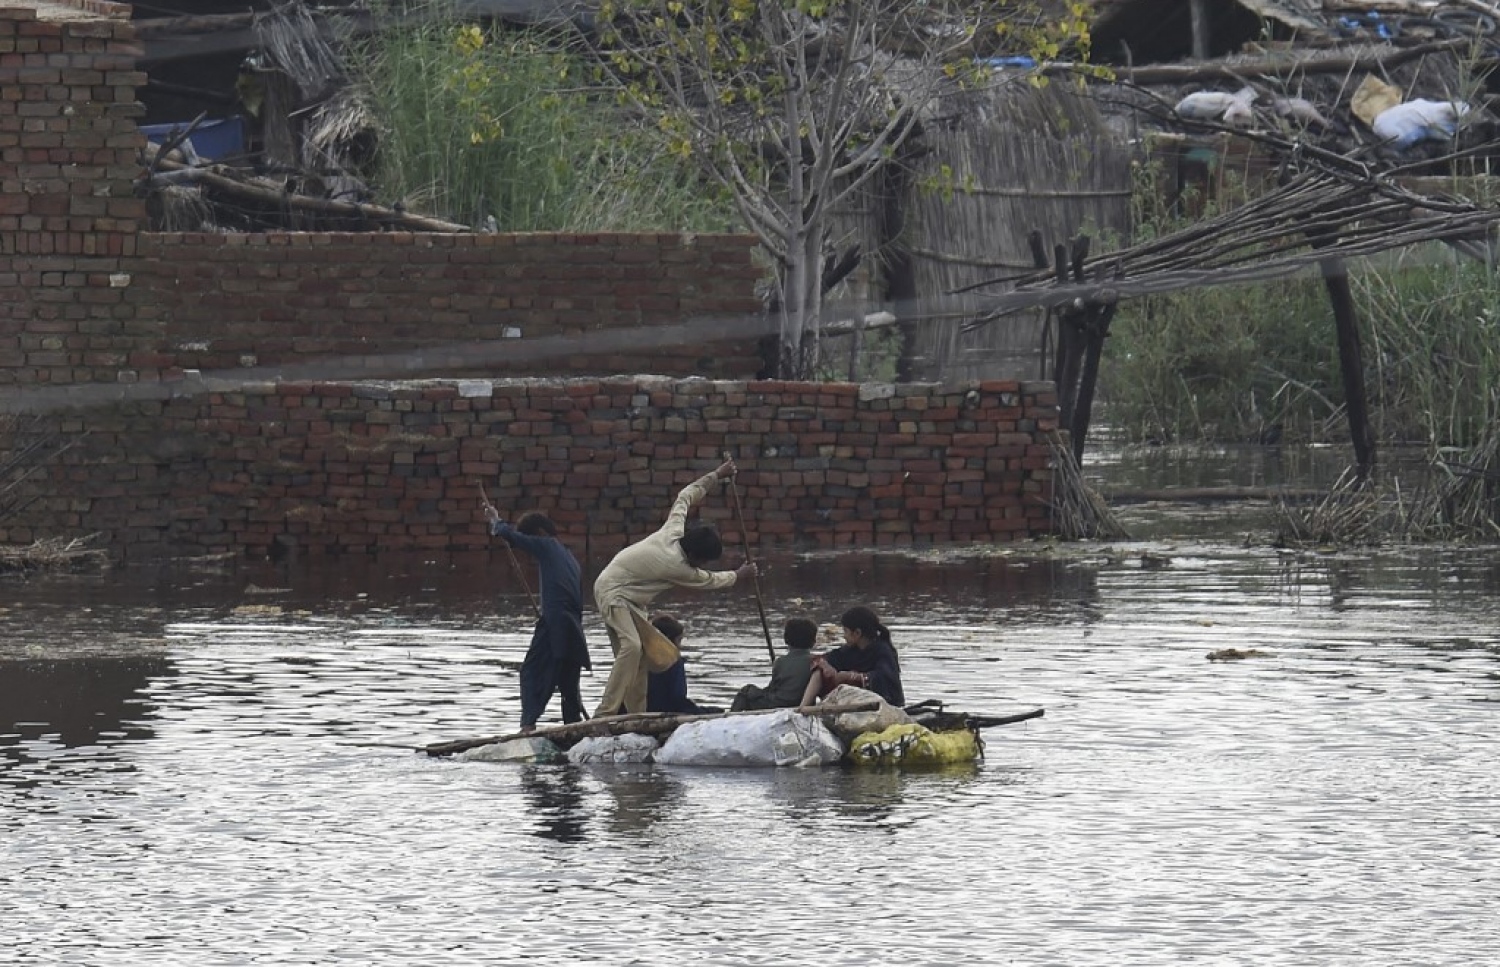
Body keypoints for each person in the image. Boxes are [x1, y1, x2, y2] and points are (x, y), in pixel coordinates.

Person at [591, 459, 757, 717]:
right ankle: (605, 712)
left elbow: (685, 497)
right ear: (693, 554)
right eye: (701, 561)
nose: (700, 565)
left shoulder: (674, 530)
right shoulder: (674, 564)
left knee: (641, 657)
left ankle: (636, 712)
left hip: (631, 600)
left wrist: (716, 475)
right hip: (613, 591)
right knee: (632, 647)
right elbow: (709, 580)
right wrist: (739, 575)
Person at [483, 506, 591, 733]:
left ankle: (527, 726)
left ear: (539, 534)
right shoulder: (570, 557)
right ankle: (574, 729)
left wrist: (496, 522)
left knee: (531, 672)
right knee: (568, 684)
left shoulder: (547, 545)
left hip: (556, 623)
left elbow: (512, 535)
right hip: (572, 627)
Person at [800, 605, 904, 708]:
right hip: (858, 703)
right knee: (819, 671)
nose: (844, 636)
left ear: (857, 633)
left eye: (845, 631)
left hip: (884, 706)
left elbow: (884, 679)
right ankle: (803, 708)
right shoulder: (850, 650)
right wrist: (824, 665)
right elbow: (823, 658)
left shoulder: (883, 650)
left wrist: (850, 676)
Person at [731, 616, 817, 712]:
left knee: (746, 691)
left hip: (778, 704)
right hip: (800, 703)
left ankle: (730, 719)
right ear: (813, 642)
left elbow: (772, 690)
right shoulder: (818, 662)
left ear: (786, 640)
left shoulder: (780, 662)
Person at [646, 613, 722, 715]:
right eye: (679, 640)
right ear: (668, 640)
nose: (680, 646)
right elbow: (678, 698)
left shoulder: (637, 659)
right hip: (666, 712)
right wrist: (701, 712)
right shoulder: (673, 662)